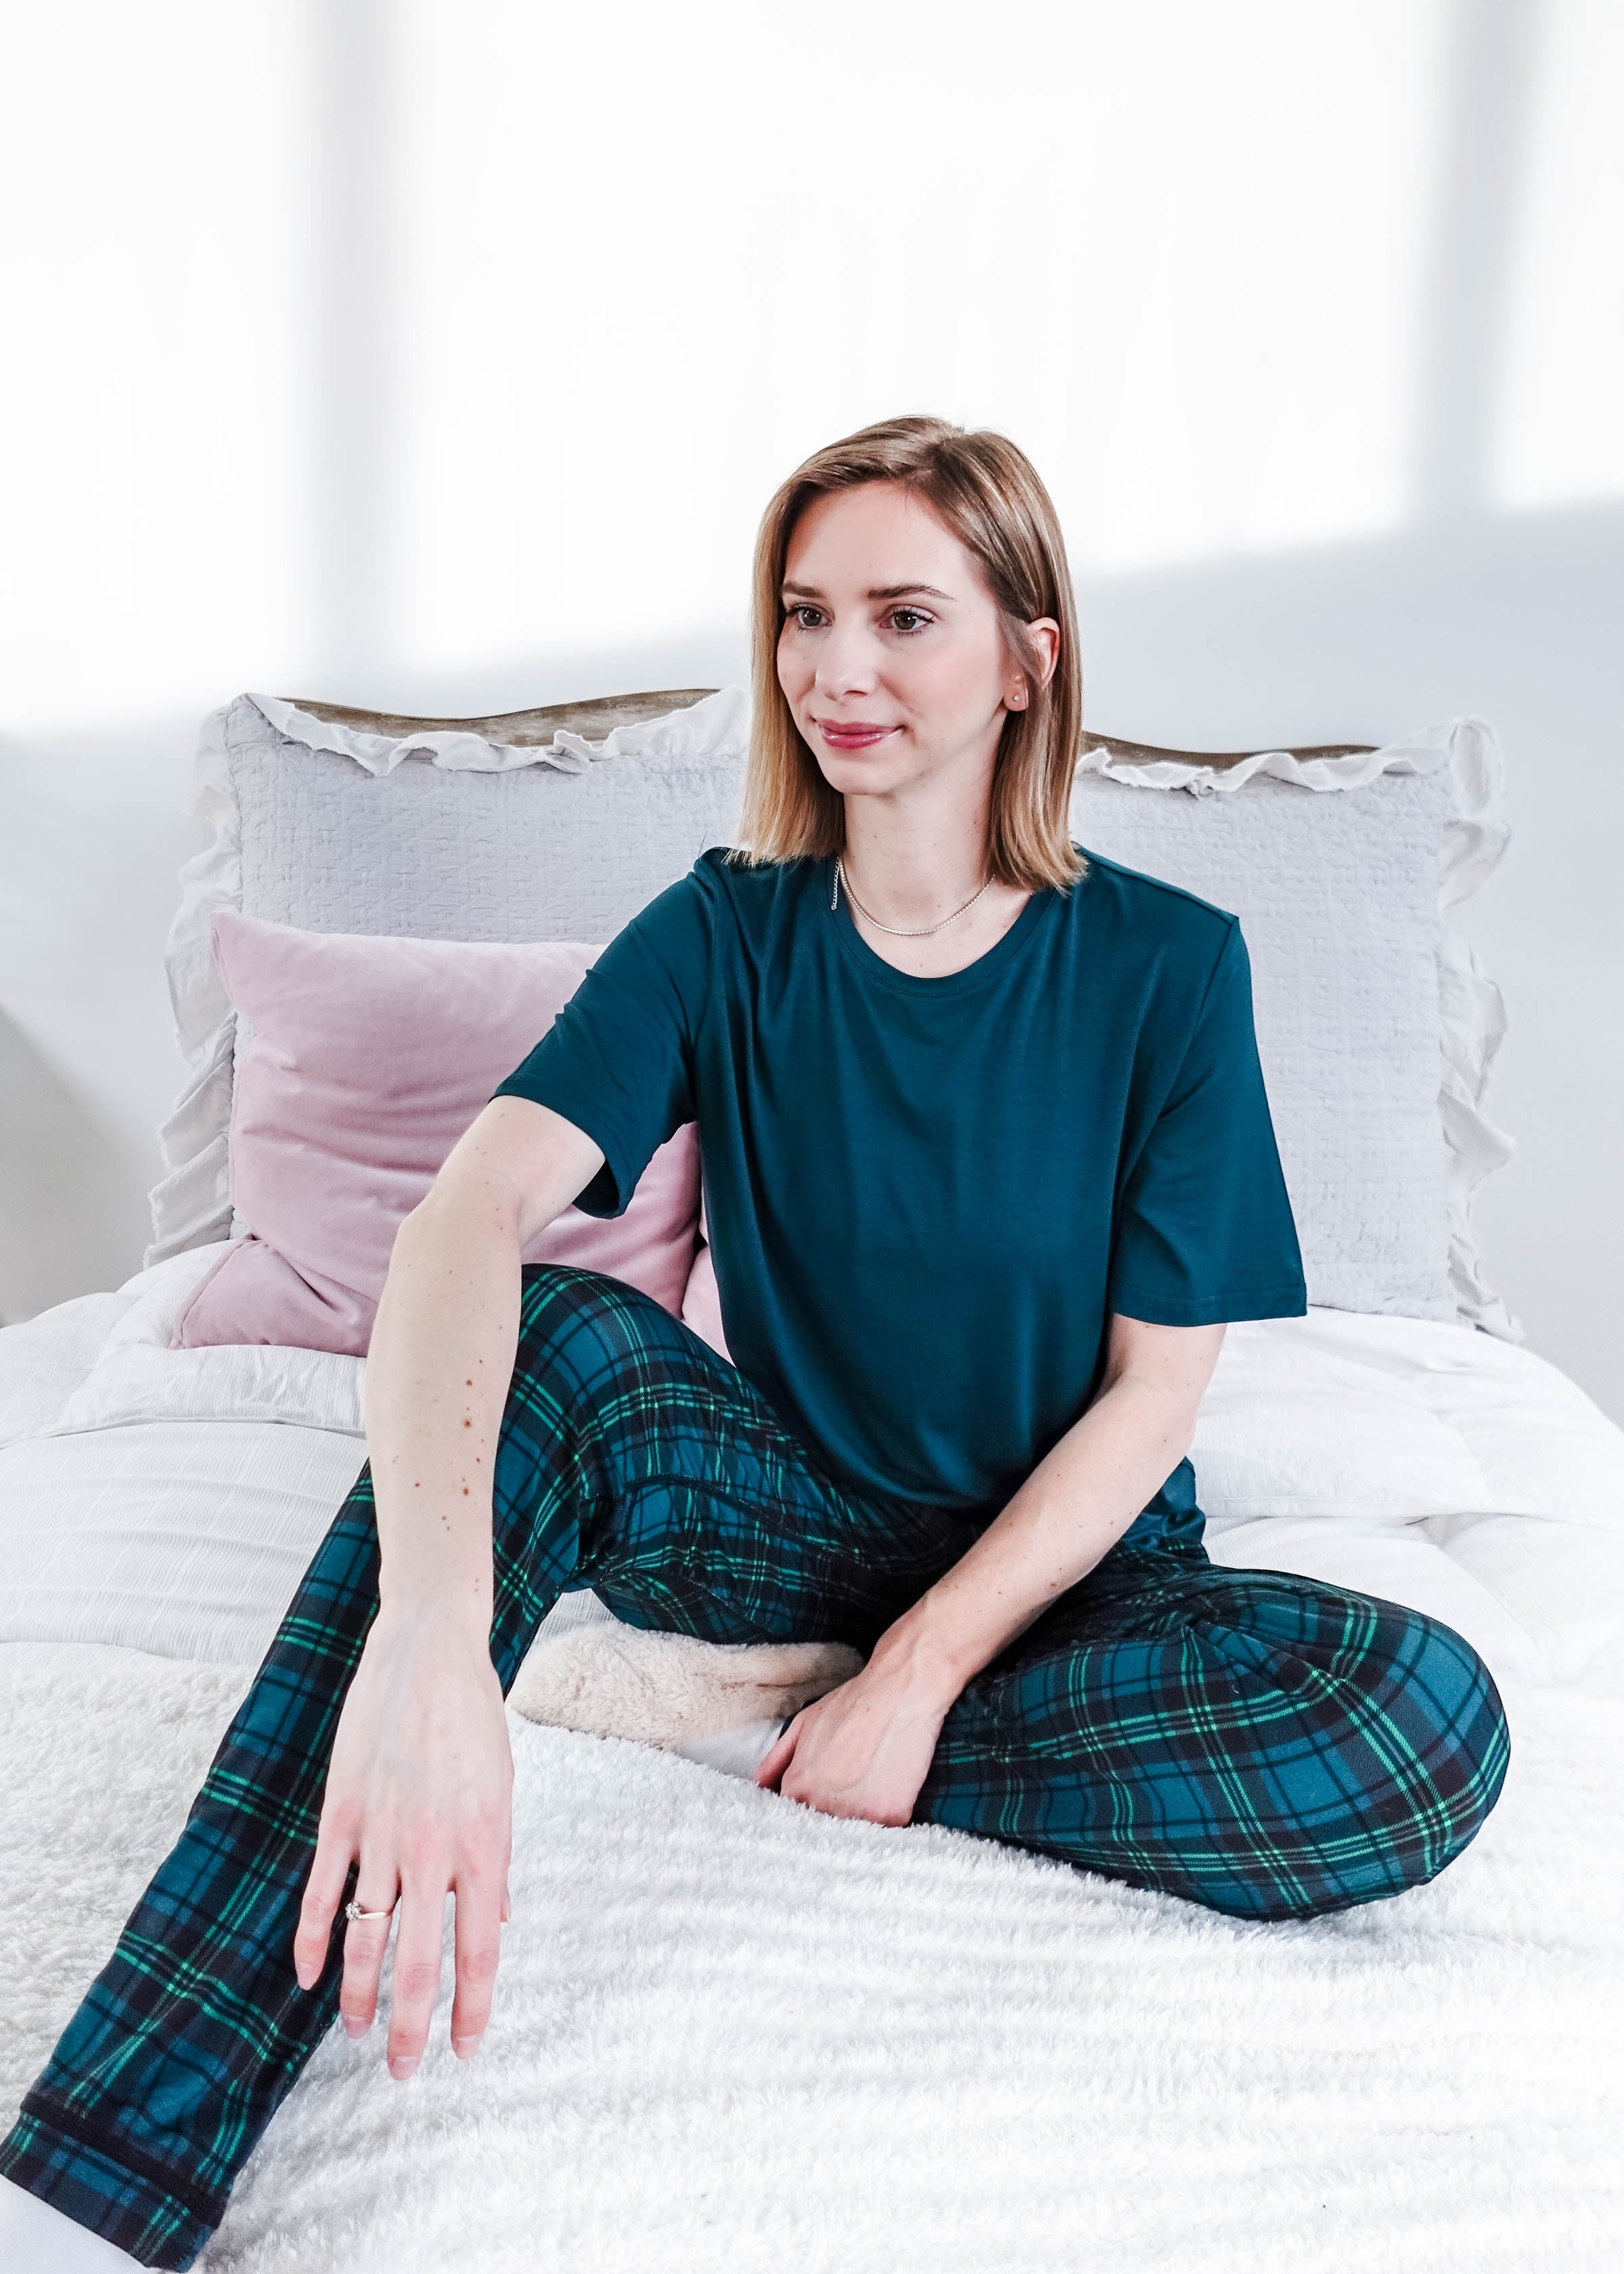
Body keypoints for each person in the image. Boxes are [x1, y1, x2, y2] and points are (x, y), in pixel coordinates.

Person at [0, 416, 1512, 2271]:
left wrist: (917, 1679)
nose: (838, 669)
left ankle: (770, 1732)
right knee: (551, 1336)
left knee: (1423, 1726)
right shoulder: (725, 930)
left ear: (1032, 658)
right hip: (788, 1517)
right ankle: (91, 2192)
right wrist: (430, 1644)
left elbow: (1155, 1397)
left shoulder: (1171, 967)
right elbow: (471, 1216)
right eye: (806, 616)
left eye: (903, 615)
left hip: (1070, 1572)